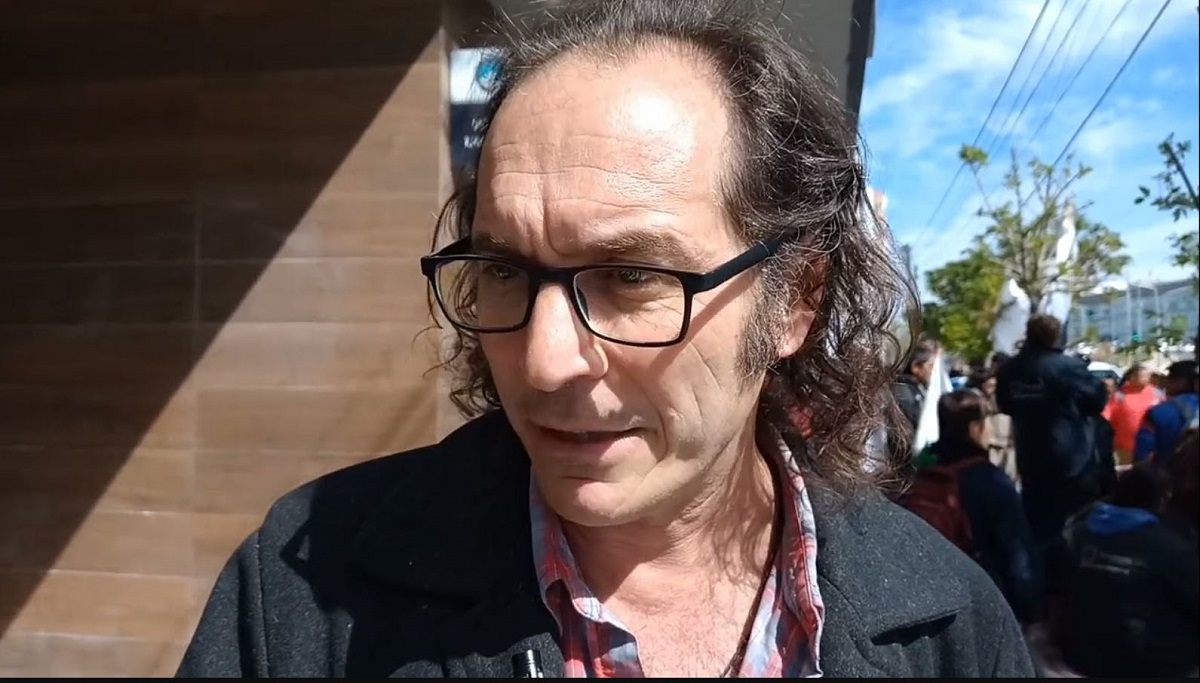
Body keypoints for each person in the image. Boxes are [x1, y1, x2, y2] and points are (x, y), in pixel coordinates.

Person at [177, 1, 1034, 678]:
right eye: (505, 270)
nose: (544, 360)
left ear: (795, 300)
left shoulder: (951, 624)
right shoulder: (299, 591)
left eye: (631, 277)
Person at [901, 390, 1041, 625]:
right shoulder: (989, 481)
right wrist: (1030, 611)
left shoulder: (920, 468)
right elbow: (1016, 555)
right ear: (975, 428)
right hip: (980, 600)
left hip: (926, 592)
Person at [1051, 465, 1199, 678]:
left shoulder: (1074, 536)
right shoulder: (1171, 548)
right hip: (1150, 664)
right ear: (1160, 502)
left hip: (1080, 656)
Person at [995, 314, 1108, 559]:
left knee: (1037, 526)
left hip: (1030, 458)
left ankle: (1040, 572)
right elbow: (1097, 400)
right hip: (1072, 461)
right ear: (1057, 336)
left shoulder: (1010, 370)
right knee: (1074, 527)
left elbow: (1004, 405)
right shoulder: (1069, 367)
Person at [1134, 360, 1199, 466]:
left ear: (1182, 382)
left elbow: (1143, 455)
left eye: (1170, 378)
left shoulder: (1158, 413)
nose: (1165, 382)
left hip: (1165, 473)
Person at [968, 367, 1018, 483]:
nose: (993, 389)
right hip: (991, 445)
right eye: (990, 386)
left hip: (1006, 444)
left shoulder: (1002, 397)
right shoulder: (976, 399)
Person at [1107, 364, 1162, 465]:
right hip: (1125, 447)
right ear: (1131, 377)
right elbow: (1107, 415)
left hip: (1150, 447)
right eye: (1141, 376)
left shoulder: (1157, 394)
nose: (1144, 379)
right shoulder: (1120, 395)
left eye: (1146, 376)